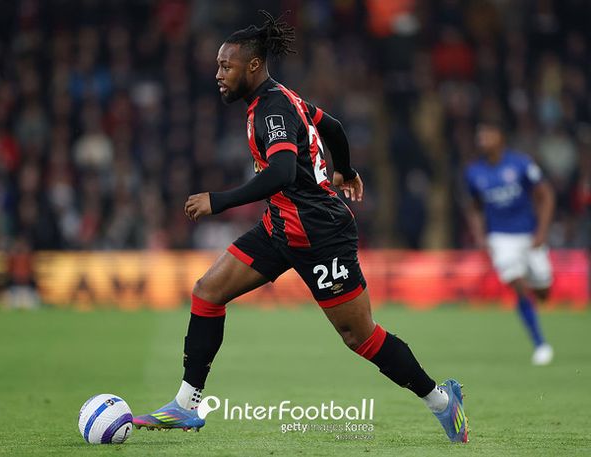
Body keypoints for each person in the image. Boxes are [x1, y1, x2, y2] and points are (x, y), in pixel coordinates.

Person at [134, 11, 467, 443]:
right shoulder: (280, 97)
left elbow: (282, 172)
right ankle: (186, 405)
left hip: (320, 234)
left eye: (226, 66)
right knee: (207, 292)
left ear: (253, 66)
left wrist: (219, 201)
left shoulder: (272, 107)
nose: (218, 74)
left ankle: (441, 401)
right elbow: (333, 127)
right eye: (218, 65)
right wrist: (345, 169)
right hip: (280, 227)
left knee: (359, 336)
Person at [465, 119, 555, 365]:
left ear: (501, 137)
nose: (483, 139)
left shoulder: (522, 164)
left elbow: (546, 195)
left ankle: (534, 292)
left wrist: (542, 232)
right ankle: (540, 343)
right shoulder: (474, 172)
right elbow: (474, 207)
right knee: (517, 283)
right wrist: (480, 235)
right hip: (500, 237)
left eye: (488, 134)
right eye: (480, 135)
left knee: (544, 292)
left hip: (529, 235)